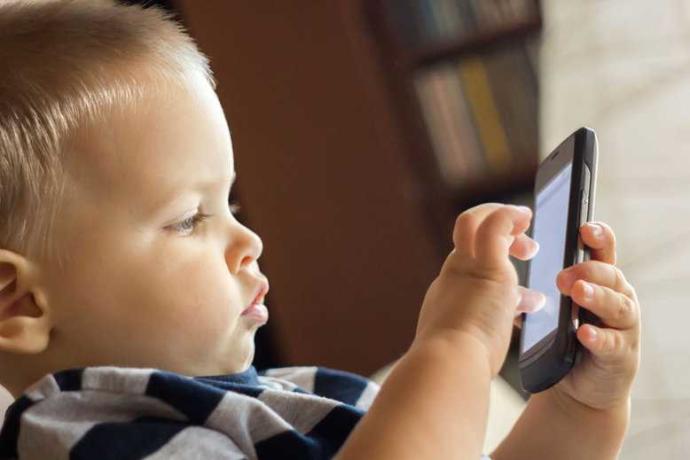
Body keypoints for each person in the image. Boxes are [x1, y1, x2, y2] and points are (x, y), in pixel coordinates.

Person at [0, 1, 641, 458]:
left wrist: (580, 408)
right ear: (20, 303)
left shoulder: (292, 396)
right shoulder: (87, 437)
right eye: (190, 219)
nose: (247, 243)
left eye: (232, 207)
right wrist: (458, 343)